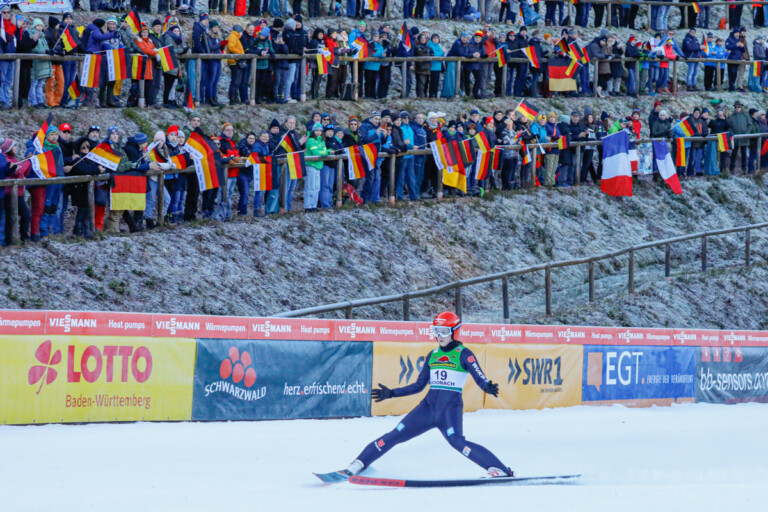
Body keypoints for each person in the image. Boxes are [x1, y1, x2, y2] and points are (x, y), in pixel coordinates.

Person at [338, 311, 512, 480]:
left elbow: (479, 377)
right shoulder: (433, 355)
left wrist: (486, 386)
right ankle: (357, 464)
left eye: (444, 331)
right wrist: (391, 393)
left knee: (458, 442)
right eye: (436, 331)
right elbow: (419, 385)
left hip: (449, 410)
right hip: (427, 409)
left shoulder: (463, 354)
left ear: (454, 331)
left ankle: (500, 469)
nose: (440, 335)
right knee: (394, 435)